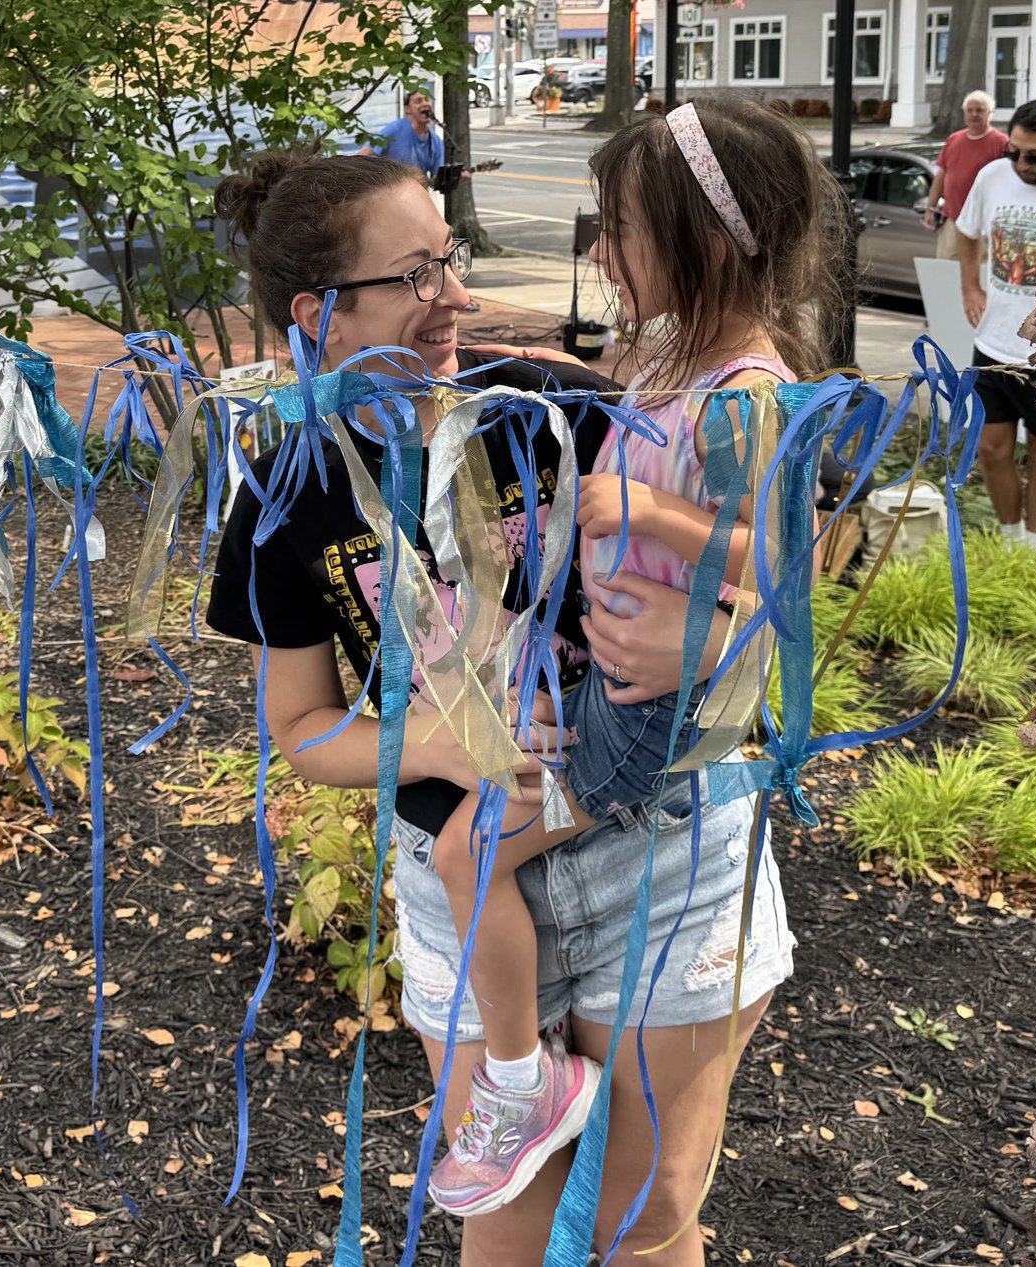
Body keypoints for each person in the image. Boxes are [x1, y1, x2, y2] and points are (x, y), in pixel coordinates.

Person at [206, 150, 794, 1264]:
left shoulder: (549, 410)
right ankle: (531, 1081)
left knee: (649, 1213)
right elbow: (300, 729)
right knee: (511, 1230)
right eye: (417, 274)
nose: (458, 298)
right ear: (316, 313)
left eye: (452, 262)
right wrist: (431, 743)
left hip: (658, 849)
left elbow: (776, 576)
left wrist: (712, 641)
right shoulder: (286, 496)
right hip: (466, 886)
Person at [957, 98, 1036, 542]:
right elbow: (967, 230)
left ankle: (1033, 550)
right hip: (992, 343)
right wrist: (969, 285)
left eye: (1034, 156)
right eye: (1013, 151)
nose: (1020, 164)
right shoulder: (992, 176)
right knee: (991, 449)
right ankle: (1008, 539)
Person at [921, 91, 1009, 259]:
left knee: (981, 272)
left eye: (980, 110)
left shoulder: (1001, 142)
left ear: (989, 113)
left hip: (986, 222)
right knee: (946, 266)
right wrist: (930, 209)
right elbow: (941, 176)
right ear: (964, 113)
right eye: (970, 110)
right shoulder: (953, 139)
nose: (974, 114)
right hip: (954, 219)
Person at [371, 89, 446, 179]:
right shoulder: (393, 130)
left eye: (426, 99)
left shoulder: (436, 141)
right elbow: (363, 155)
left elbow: (437, 179)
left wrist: (454, 177)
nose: (425, 104)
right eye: (418, 101)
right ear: (408, 109)